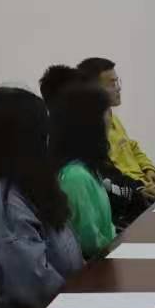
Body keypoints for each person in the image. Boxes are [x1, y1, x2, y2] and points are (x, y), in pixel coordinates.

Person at [0, 87, 85, 308]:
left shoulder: (28, 191)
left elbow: (68, 259)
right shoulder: (3, 205)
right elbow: (37, 287)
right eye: (43, 133)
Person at [42, 66, 148, 229]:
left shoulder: (88, 152)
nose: (108, 118)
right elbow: (91, 237)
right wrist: (138, 192)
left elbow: (115, 172)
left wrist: (143, 184)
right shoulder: (74, 172)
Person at [76, 57, 155, 195]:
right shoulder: (90, 132)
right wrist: (140, 189)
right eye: (112, 84)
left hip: (146, 183)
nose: (118, 88)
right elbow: (111, 176)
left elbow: (132, 146)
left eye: (117, 82)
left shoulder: (112, 117)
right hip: (135, 192)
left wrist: (148, 169)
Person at [50, 83, 117, 257]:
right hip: (97, 267)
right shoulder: (75, 177)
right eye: (106, 112)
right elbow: (89, 243)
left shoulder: (88, 168)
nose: (111, 120)